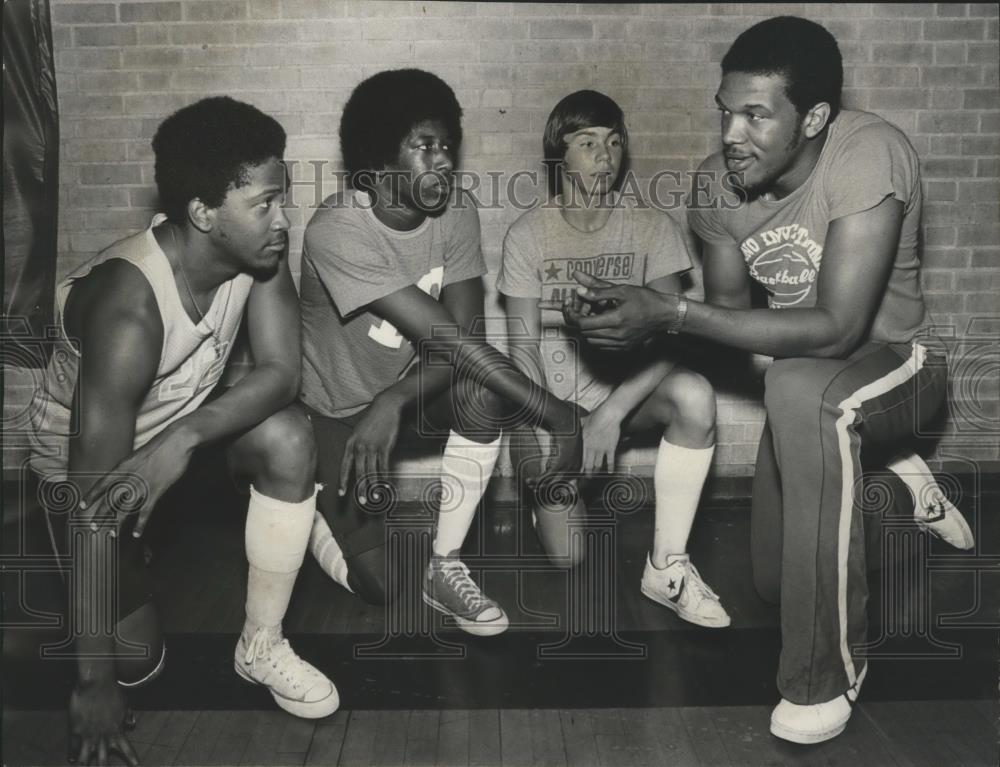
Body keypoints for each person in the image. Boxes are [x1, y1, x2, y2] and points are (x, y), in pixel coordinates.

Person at [559, 16, 974, 744]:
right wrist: (644, 333)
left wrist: (670, 312)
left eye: (756, 115)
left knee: (802, 390)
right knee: (775, 584)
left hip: (899, 363)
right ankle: (867, 459)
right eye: (726, 110)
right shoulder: (717, 189)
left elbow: (841, 327)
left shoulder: (869, 154)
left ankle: (827, 673)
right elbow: (722, 321)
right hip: (807, 384)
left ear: (813, 118)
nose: (731, 133)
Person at [29, 97, 339, 766]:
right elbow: (91, 504)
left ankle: (264, 641)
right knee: (138, 664)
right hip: (87, 474)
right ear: (202, 214)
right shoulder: (127, 306)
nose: (283, 219)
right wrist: (94, 682)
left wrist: (179, 442)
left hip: (178, 437)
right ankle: (274, 525)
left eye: (279, 199)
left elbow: (282, 373)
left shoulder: (261, 252)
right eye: (264, 203)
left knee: (288, 434)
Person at [299, 69, 584, 637]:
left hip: (405, 399)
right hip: (331, 413)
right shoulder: (336, 229)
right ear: (379, 158)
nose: (444, 161)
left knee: (481, 392)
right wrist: (557, 413)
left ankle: (445, 567)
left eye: (447, 146)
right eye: (424, 147)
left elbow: (465, 340)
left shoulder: (455, 211)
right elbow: (451, 340)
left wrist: (394, 399)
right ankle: (302, 501)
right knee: (377, 587)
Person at [498, 90, 729, 629]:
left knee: (696, 394)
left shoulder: (651, 227)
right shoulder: (528, 234)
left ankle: (667, 566)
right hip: (550, 409)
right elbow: (523, 349)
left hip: (623, 403)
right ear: (560, 156)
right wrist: (544, 432)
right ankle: (552, 498)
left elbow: (679, 335)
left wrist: (609, 415)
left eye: (614, 141)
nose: (605, 155)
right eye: (587, 143)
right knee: (568, 556)